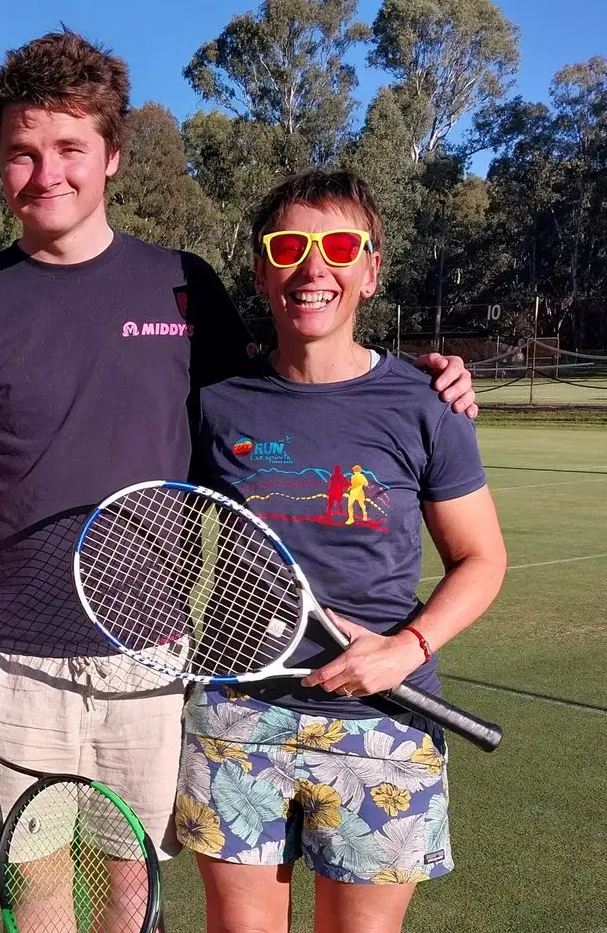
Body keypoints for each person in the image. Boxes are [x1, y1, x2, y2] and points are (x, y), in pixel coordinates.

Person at [0, 29, 481, 917]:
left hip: (155, 655)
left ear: (113, 157)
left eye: (69, 148)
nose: (46, 172)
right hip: (11, 659)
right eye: (22, 152)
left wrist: (424, 377)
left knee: (131, 892)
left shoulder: (184, 285)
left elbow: (302, 364)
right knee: (40, 896)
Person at [177, 168, 507, 933]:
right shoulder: (216, 401)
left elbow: (482, 558)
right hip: (239, 713)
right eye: (289, 245)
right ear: (262, 269)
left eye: (338, 246)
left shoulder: (428, 404)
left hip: (383, 721)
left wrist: (405, 647)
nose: (312, 265)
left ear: (370, 269)